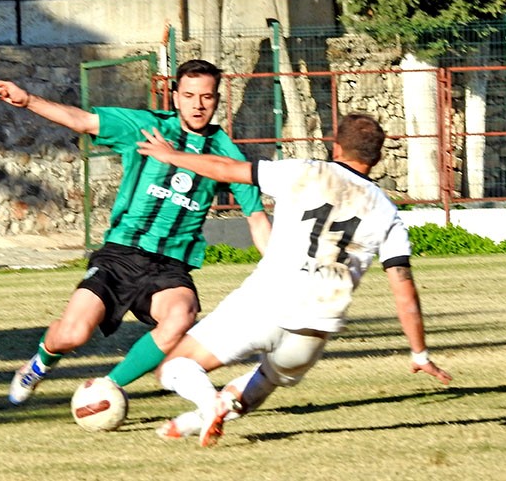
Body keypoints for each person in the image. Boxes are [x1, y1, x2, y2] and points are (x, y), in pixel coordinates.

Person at [136, 113, 453, 447]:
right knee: (265, 381)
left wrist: (172, 156)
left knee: (174, 367)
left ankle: (206, 402)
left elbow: (227, 168)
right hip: (317, 326)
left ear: (336, 146)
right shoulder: (388, 212)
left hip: (267, 301)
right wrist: (419, 353)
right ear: (378, 156)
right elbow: (404, 291)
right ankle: (194, 420)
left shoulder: (303, 171)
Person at [0, 59, 271, 406]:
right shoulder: (146, 128)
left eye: (206, 97)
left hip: (169, 267)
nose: (197, 105)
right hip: (120, 254)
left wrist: (281, 270)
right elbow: (83, 120)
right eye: (190, 95)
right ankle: (39, 363)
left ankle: (108, 387)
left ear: (217, 99)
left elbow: (256, 218)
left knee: (181, 315)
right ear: (175, 96)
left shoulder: (225, 154)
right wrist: (28, 100)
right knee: (72, 334)